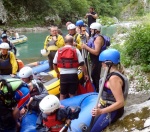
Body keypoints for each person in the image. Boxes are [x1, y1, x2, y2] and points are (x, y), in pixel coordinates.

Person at [90, 49, 129, 132]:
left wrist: (101, 111)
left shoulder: (114, 78)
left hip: (114, 112)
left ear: (109, 63)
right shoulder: (112, 74)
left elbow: (120, 102)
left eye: (103, 62)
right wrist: (101, 105)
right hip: (106, 107)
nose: (101, 64)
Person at [53, 35, 89, 100]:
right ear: (72, 42)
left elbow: (54, 64)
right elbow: (82, 64)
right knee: (72, 94)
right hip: (73, 76)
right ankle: (73, 108)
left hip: (63, 76)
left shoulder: (59, 51)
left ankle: (62, 108)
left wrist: (58, 73)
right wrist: (86, 74)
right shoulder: (76, 50)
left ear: (64, 42)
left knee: (62, 94)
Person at [81, 22, 104, 92]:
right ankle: (97, 90)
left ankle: (98, 92)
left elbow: (96, 52)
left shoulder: (98, 39)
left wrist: (86, 47)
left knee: (95, 76)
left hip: (97, 61)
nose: (90, 31)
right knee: (94, 76)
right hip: (94, 60)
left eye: (91, 30)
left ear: (96, 30)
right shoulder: (95, 37)